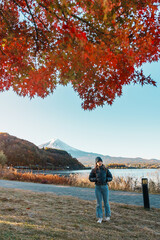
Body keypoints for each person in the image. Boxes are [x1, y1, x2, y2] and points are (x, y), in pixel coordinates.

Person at [89, 156, 112, 223]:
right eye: (98, 161)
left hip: (105, 187)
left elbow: (110, 177)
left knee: (106, 203)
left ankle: (107, 216)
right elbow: (90, 178)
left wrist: (106, 180)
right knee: (99, 203)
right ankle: (100, 217)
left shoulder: (106, 169)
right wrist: (96, 180)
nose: (100, 162)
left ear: (102, 162)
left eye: (100, 161)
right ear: (96, 163)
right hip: (97, 187)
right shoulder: (94, 170)